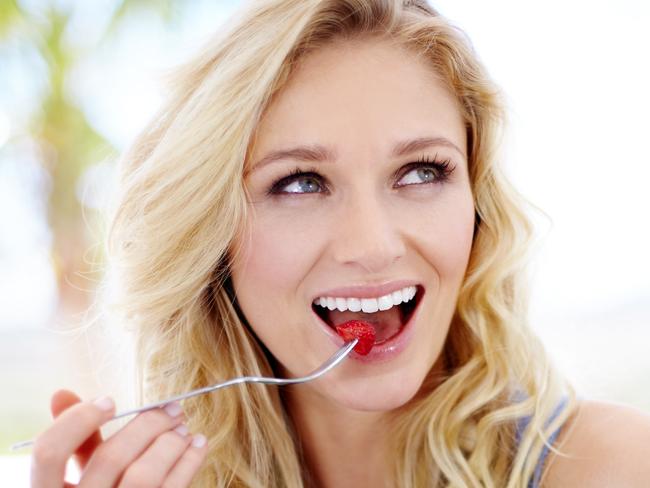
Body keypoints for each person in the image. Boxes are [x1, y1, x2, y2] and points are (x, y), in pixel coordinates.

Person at [29, 0, 650, 487]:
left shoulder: (615, 468)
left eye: (421, 172)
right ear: (211, 235)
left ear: (477, 204)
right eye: (300, 183)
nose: (373, 246)